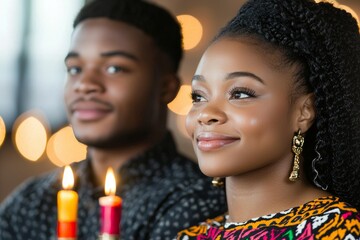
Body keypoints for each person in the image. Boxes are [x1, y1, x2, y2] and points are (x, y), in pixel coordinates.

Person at [0, 0, 226, 239]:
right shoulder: (33, 202)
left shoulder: (197, 202)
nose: (86, 85)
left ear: (166, 88)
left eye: (114, 68)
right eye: (75, 69)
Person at [176, 0, 360, 239]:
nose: (206, 113)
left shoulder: (339, 231)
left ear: (304, 112)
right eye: (198, 96)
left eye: (240, 93)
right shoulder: (189, 236)